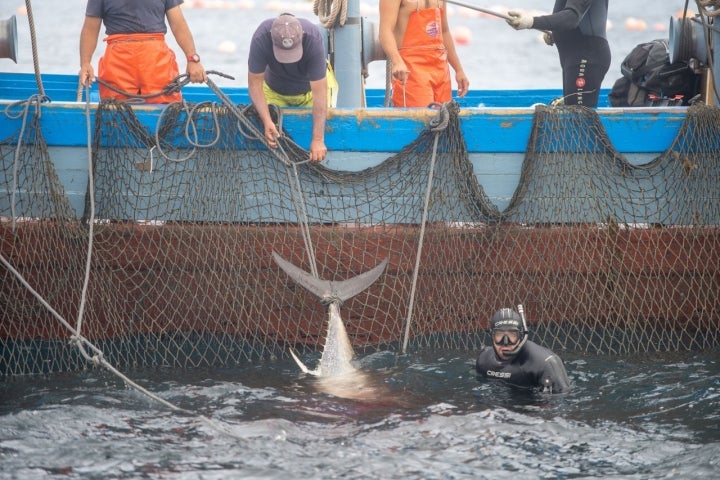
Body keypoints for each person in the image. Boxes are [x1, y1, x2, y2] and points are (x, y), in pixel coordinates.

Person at [79, 0, 207, 104]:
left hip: (138, 61)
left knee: (117, 111)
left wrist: (192, 59)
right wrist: (85, 63)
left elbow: (178, 24)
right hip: (143, 61)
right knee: (163, 111)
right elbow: (90, 28)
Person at [248, 13, 329, 163]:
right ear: (271, 39)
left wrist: (318, 139)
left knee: (324, 119)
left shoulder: (313, 38)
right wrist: (266, 120)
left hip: (311, 91)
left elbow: (320, 93)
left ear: (302, 36)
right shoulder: (261, 36)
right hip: (273, 89)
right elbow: (254, 84)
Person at [505, 0, 610, 107]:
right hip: (577, 57)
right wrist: (556, 33)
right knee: (573, 113)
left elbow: (572, 17)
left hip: (587, 57)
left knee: (579, 118)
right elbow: (570, 18)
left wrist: (531, 21)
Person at [378, 0, 469, 108]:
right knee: (419, 119)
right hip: (411, 67)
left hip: (440, 68)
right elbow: (385, 31)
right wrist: (397, 61)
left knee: (444, 118)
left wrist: (459, 69)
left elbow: (444, 31)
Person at [475, 307, 571, 393]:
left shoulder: (543, 364)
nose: (505, 342)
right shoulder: (483, 361)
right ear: (491, 336)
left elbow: (557, 404)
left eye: (512, 335)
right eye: (499, 335)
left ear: (521, 336)